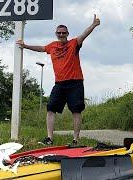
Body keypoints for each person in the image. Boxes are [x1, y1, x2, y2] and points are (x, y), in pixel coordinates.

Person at [16, 14, 100, 147]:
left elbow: (83, 35)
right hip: (59, 84)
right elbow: (41, 48)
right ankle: (49, 138)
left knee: (76, 111)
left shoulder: (73, 43)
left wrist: (94, 25)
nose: (61, 34)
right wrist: (25, 46)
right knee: (50, 108)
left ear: (67, 33)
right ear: (56, 34)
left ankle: (75, 140)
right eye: (59, 33)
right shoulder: (52, 46)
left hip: (75, 82)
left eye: (63, 33)